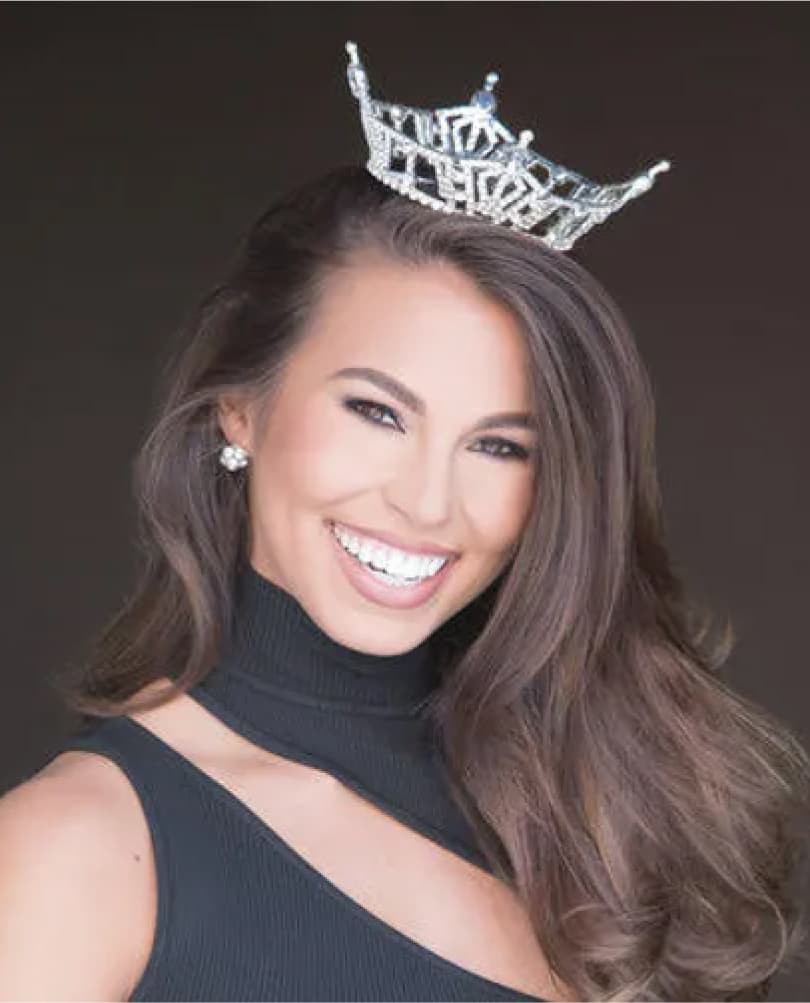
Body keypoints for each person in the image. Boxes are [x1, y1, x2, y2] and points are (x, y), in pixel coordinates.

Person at [2, 48, 808, 1003]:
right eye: (377, 412)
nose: (429, 503)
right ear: (241, 409)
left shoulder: (603, 817)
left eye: (502, 447)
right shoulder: (77, 848)